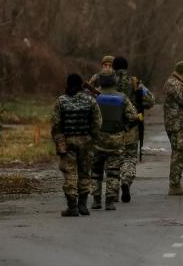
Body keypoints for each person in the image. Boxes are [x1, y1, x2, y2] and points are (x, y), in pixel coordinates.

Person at [50, 74, 102, 217]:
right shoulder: (90, 101)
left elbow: (55, 124)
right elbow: (97, 123)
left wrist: (58, 140)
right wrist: (93, 138)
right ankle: (83, 205)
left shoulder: (61, 101)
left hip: (68, 142)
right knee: (85, 172)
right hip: (86, 141)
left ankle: (72, 207)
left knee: (70, 173)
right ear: (81, 85)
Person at [90, 71, 140, 211]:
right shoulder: (122, 98)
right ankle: (110, 201)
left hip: (97, 141)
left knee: (96, 171)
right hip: (116, 141)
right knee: (113, 171)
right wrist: (124, 128)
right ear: (114, 82)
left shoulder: (94, 97)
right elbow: (133, 117)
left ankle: (96, 200)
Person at [112, 56, 155, 202]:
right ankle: (126, 180)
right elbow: (150, 101)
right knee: (130, 158)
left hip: (111, 128)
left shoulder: (107, 82)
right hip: (131, 127)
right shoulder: (135, 82)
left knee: (113, 158)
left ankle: (112, 190)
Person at [163, 61, 183, 195]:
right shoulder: (174, 84)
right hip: (177, 125)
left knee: (178, 153)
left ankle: (176, 182)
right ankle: (174, 184)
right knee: (179, 154)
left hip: (179, 124)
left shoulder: (178, 83)